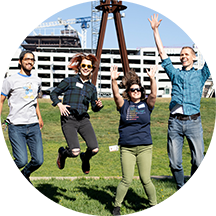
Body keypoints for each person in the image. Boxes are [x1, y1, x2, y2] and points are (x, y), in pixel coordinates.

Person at [148, 14, 210, 215]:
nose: (183, 56)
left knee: (199, 161)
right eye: (181, 54)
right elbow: (162, 53)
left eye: (186, 54)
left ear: (193, 57)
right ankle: (183, 189)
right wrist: (155, 30)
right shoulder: (175, 74)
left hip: (194, 122)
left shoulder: (201, 74)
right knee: (175, 162)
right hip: (175, 123)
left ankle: (196, 190)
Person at [111, 65, 157, 216]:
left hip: (145, 147)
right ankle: (116, 207)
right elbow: (116, 95)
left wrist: (152, 78)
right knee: (127, 179)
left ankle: (153, 206)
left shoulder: (146, 104)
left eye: (138, 90)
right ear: (129, 93)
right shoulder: (124, 105)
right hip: (127, 148)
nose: (136, 92)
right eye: (133, 90)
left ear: (141, 92)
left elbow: (154, 94)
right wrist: (113, 80)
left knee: (145, 179)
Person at [50, 53, 103, 174]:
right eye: (83, 65)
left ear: (92, 69)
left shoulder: (92, 88)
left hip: (83, 120)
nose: (85, 68)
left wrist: (98, 106)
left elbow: (94, 107)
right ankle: (62, 153)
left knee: (94, 149)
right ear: (79, 67)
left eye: (88, 66)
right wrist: (59, 104)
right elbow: (54, 93)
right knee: (74, 152)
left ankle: (85, 158)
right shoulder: (69, 81)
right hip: (69, 119)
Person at [0, 50, 44, 179]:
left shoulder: (37, 80)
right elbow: (1, 100)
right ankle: (7, 169)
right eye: (26, 59)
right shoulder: (10, 80)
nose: (29, 61)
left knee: (38, 160)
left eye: (32, 59)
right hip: (16, 126)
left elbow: (34, 100)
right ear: (20, 61)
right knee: (21, 161)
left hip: (33, 125)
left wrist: (39, 117)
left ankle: (23, 175)